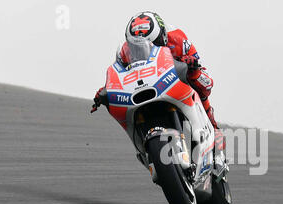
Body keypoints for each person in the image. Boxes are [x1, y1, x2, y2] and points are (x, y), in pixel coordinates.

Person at [92, 11, 222, 143]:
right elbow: (121, 74)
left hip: (175, 79)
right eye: (136, 46)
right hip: (147, 84)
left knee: (201, 83)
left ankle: (213, 128)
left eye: (153, 43)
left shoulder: (179, 41)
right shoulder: (125, 51)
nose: (143, 48)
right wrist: (106, 90)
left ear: (162, 36)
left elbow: (204, 78)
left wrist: (192, 67)